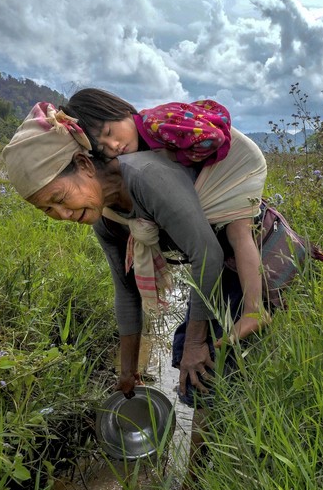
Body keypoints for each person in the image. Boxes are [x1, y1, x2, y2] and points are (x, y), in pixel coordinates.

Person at [2, 101, 267, 401]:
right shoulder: (107, 218)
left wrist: (196, 343)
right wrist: (127, 369)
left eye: (60, 197)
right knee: (195, 369)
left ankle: (207, 446)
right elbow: (126, 291)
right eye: (48, 209)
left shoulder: (146, 176)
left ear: (85, 165)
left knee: (204, 370)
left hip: (244, 251)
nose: (62, 214)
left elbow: (207, 255)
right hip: (214, 262)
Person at [64, 88, 268, 344]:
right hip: (215, 168)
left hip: (237, 164)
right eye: (104, 148)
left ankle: (254, 310)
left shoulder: (158, 124)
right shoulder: (135, 155)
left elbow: (214, 137)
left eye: (109, 133)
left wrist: (175, 157)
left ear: (123, 110)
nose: (115, 146)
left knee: (239, 231)